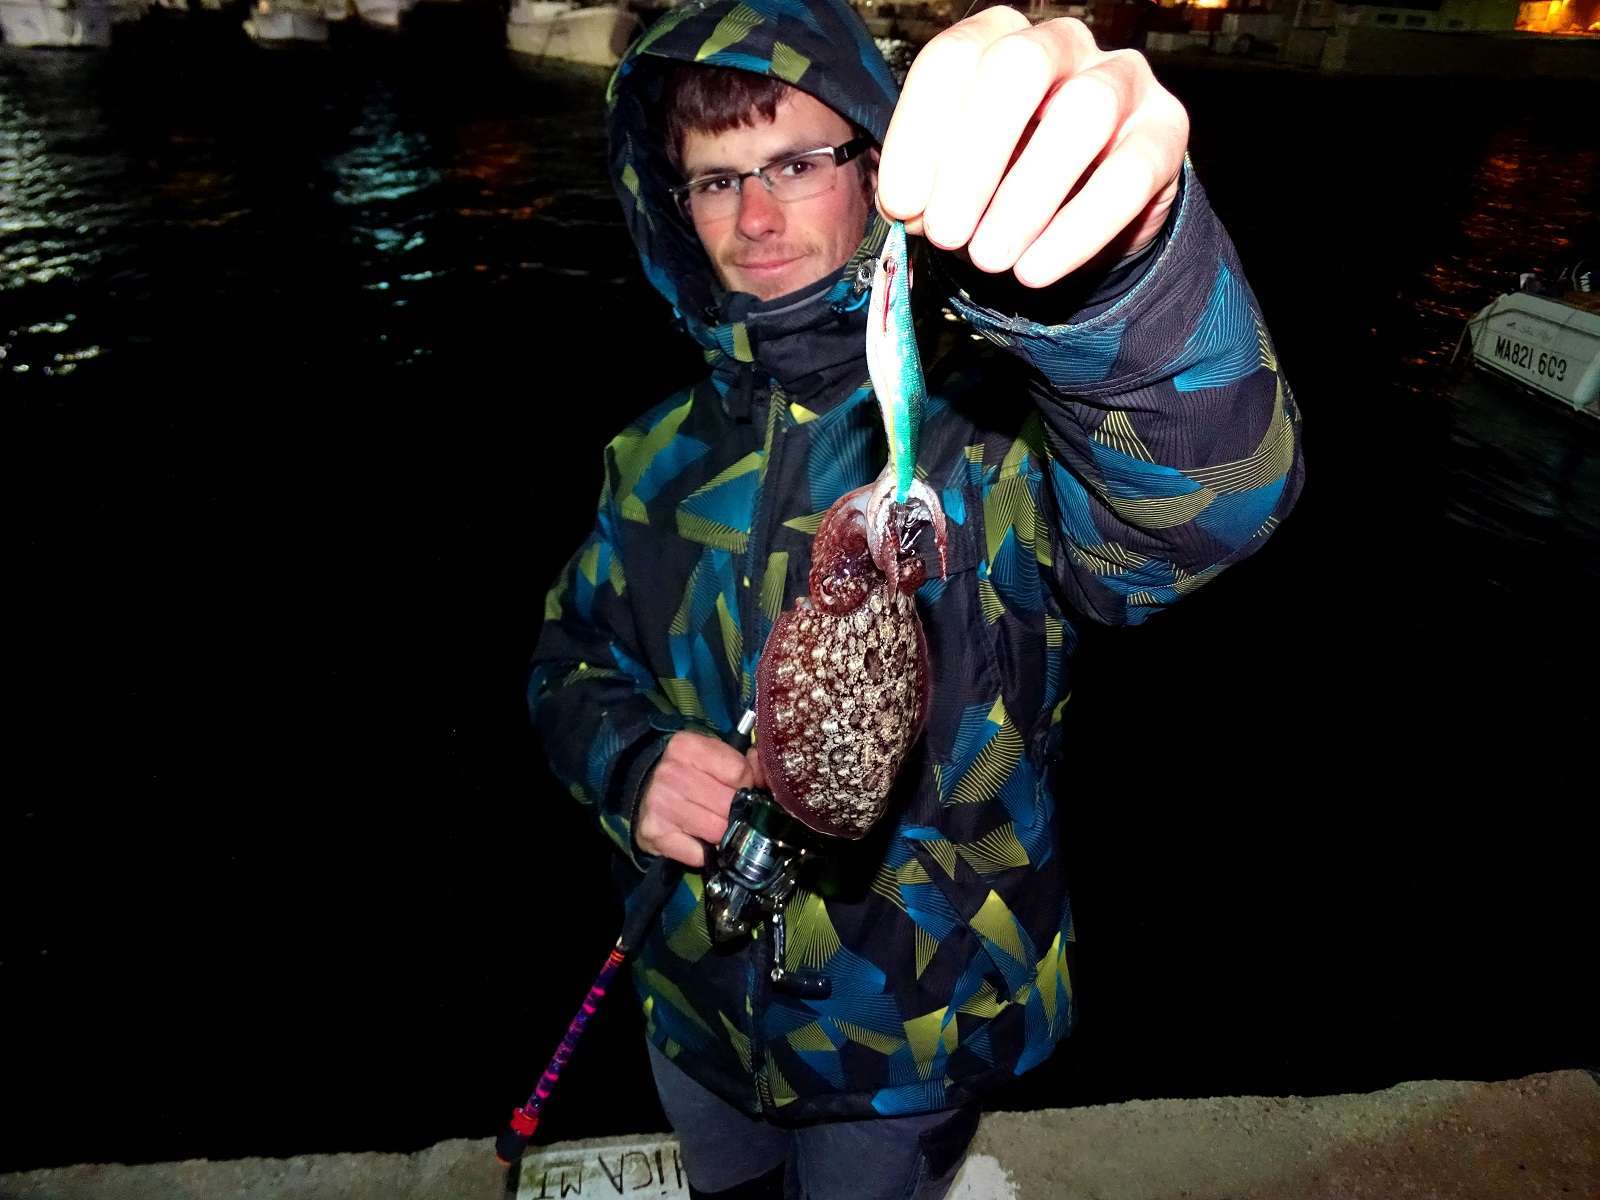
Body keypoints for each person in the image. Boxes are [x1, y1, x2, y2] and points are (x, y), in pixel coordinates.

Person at [529, 3, 1304, 1196]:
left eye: (796, 161)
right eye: (716, 180)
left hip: (910, 1039)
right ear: (672, 204)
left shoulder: (997, 437)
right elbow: (567, 659)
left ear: (878, 168)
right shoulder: (648, 456)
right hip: (693, 1008)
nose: (754, 216)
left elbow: (1210, 503)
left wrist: (1117, 282)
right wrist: (631, 762)